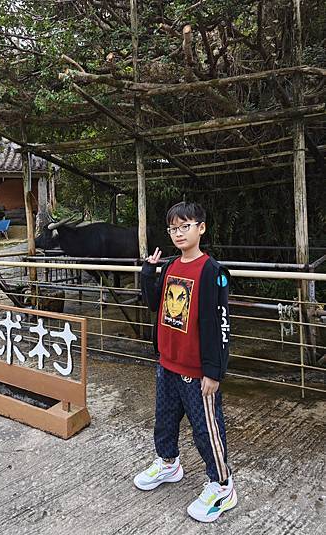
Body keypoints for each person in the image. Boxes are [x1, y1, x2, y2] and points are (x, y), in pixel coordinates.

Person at [134, 201, 237, 523]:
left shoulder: (212, 271)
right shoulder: (169, 267)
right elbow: (154, 305)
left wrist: (214, 371)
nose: (179, 233)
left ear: (201, 228)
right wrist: (148, 271)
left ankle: (222, 485)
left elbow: (220, 324)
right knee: (164, 420)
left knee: (206, 430)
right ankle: (168, 463)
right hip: (167, 363)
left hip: (196, 371)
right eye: (173, 229)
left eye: (185, 226)